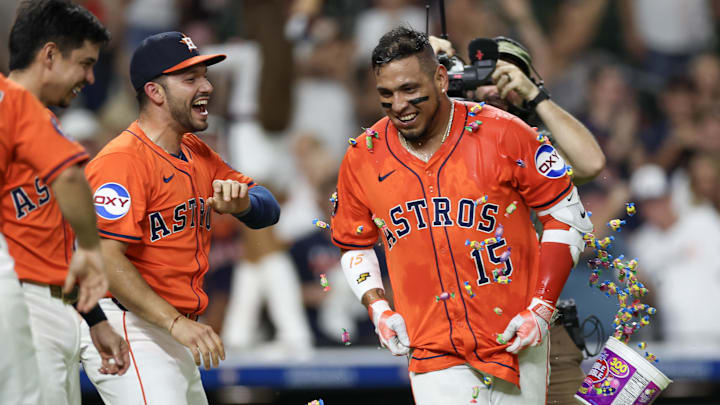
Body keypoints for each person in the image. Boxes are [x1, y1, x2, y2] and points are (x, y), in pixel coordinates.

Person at [331, 26, 593, 404]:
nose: (399, 105)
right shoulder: (363, 155)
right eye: (386, 94)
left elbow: (567, 216)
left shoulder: (504, 133)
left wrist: (540, 307)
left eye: (409, 89)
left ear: (440, 78)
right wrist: (378, 308)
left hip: (514, 335)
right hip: (431, 348)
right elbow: (354, 242)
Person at [81, 31, 281, 404]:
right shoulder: (121, 161)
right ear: (155, 92)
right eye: (190, 79)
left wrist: (244, 205)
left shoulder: (195, 151)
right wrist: (174, 323)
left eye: (204, 75)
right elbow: (106, 260)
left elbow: (269, 208)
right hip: (129, 324)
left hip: (171, 327)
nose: (206, 85)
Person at [430, 34, 606, 404]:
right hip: (461, 333)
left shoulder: (537, 146)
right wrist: (428, 66)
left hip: (542, 328)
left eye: (509, 77)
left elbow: (590, 163)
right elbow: (398, 124)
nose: (496, 86)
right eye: (487, 76)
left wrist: (535, 96)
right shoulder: (444, 141)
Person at [2, 1, 130, 404]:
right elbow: (71, 178)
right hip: (24, 303)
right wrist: (93, 249)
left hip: (52, 303)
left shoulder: (39, 123)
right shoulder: (14, 106)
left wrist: (92, 316)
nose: (91, 78)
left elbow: (42, 240)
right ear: (50, 54)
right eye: (85, 63)